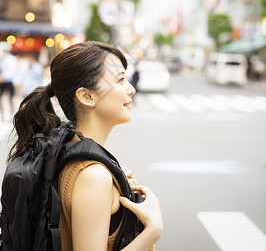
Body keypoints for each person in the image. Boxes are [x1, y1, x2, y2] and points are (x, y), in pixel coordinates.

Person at [9, 41, 163, 250]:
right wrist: (152, 230)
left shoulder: (67, 150)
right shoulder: (93, 175)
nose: (131, 89)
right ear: (87, 96)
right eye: (120, 80)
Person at [0, 48, 18, 120]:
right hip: (3, 81)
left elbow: (12, 71)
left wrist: (3, 77)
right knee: (0, 98)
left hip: (9, 81)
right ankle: (2, 114)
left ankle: (11, 114)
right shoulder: (2, 59)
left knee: (10, 99)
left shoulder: (12, 59)